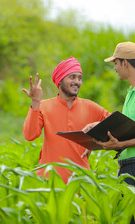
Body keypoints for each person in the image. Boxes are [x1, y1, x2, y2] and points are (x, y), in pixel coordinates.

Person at [84, 42, 135, 189]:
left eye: (116, 63)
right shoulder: (132, 92)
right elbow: (128, 130)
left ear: (125, 63)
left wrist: (121, 145)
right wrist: (98, 128)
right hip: (128, 167)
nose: (115, 68)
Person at [22, 56, 110, 184]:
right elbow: (29, 135)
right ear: (60, 81)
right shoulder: (43, 106)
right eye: (72, 77)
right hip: (48, 182)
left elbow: (117, 125)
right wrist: (35, 102)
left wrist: (96, 135)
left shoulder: (90, 107)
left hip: (81, 182)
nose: (77, 82)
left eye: (79, 78)